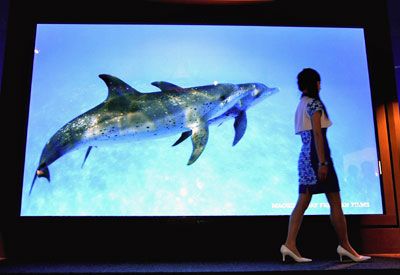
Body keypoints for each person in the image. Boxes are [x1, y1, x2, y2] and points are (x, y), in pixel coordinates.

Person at [280, 68, 371, 263]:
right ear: (315, 84)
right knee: (335, 203)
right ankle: (345, 246)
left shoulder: (301, 104)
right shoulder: (314, 103)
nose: (320, 85)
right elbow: (318, 134)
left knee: (302, 202)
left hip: (305, 155)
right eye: (318, 81)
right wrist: (322, 162)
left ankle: (289, 244)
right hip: (317, 156)